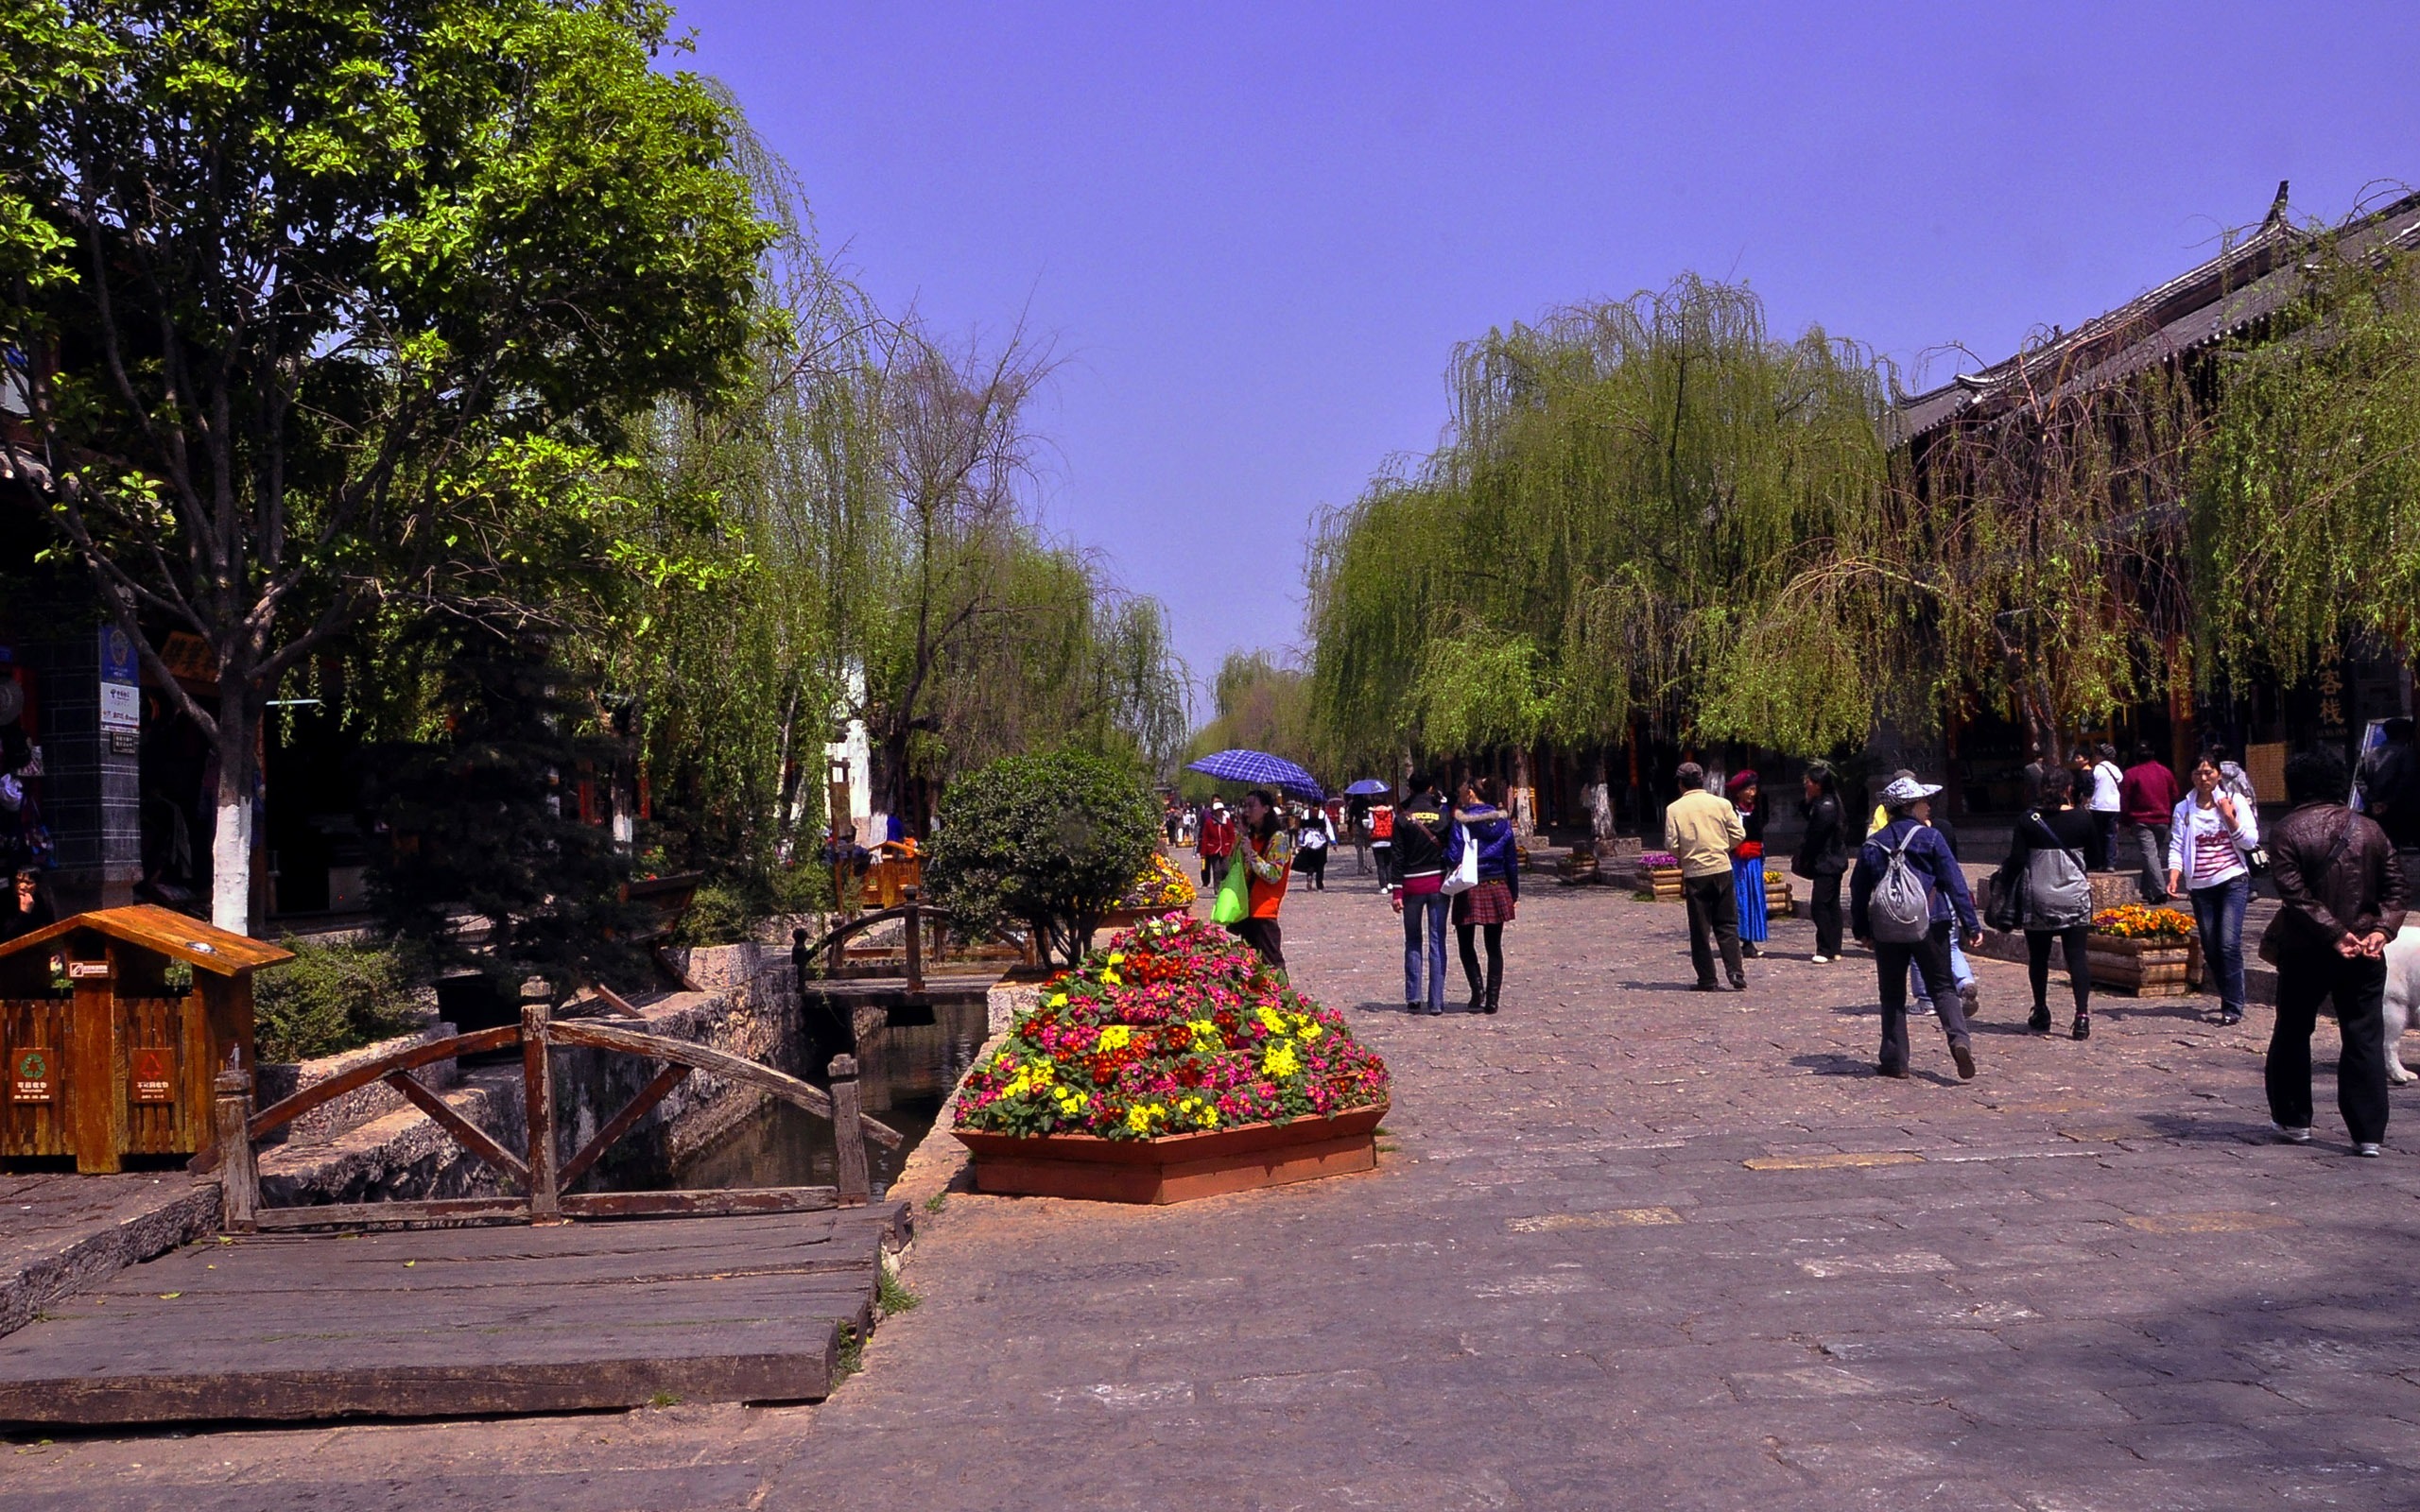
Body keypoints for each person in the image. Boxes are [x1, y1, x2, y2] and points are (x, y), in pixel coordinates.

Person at [2259, 747, 2406, 1156]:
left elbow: (2295, 895)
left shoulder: (2288, 829)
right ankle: (2368, 1133)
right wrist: (2380, 930)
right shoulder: (2370, 830)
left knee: (2293, 1030)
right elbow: (2397, 890)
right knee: (2363, 1037)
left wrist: (2335, 934)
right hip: (2365, 953)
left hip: (2307, 949)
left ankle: (2293, 1119)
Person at [1851, 775, 1981, 1080]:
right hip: (1931, 922)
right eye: (1924, 802)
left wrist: (1862, 931)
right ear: (1910, 807)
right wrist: (1970, 924)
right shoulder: (1931, 838)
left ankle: (1896, 1060)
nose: (1927, 807)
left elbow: (1859, 891)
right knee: (1942, 987)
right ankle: (1959, 1041)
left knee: (1892, 994)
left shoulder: (1873, 844)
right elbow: (1955, 883)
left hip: (1887, 929)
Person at [1998, 767, 2098, 1039]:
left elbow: (2017, 859)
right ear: (2069, 789)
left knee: (2039, 958)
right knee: (2076, 957)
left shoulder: (2028, 820)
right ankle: (2081, 1016)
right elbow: (2097, 856)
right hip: (2075, 896)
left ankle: (2041, 1009)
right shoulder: (2082, 819)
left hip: (2039, 897)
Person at [2168, 752, 2260, 1028]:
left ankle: (2233, 1005)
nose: (2203, 778)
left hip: (2233, 880)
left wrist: (2230, 818)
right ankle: (2227, 994)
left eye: (2208, 772)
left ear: (2219, 774)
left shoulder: (2234, 801)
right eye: (2198, 773)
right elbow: (2176, 845)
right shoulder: (2183, 809)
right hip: (2201, 886)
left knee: (2228, 943)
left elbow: (2251, 840)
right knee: (2211, 947)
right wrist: (2174, 875)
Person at [1665, 762, 1747, 992]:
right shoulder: (1721, 803)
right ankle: (1735, 972)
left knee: (1700, 929)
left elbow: (1672, 844)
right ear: (1702, 781)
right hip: (1722, 869)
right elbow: (1739, 833)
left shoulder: (1675, 809)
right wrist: (1723, 847)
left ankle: (1708, 979)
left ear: (1681, 784)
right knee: (1728, 924)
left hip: (1696, 873)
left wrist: (1686, 854)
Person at [1446, 777, 1518, 1014]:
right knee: (1494, 946)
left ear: (1470, 793)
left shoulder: (1461, 822)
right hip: (1497, 883)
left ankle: (1477, 992)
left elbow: (1455, 855)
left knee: (1465, 943)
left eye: (1461, 791)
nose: (1459, 795)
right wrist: (1513, 892)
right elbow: (1511, 860)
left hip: (1470, 885)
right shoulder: (1503, 822)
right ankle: (1493, 1000)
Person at [1390, 776, 1453, 1014]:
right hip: (1438, 883)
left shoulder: (1402, 818)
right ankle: (1436, 1001)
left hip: (1411, 886)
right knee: (1437, 941)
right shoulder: (1442, 815)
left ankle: (1413, 996)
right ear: (1430, 787)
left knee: (1413, 939)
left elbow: (1396, 857)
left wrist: (1397, 890)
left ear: (1410, 789)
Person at [1225, 789, 1294, 973]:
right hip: (1247, 910)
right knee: (1250, 964)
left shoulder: (1277, 840)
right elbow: (1233, 865)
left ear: (1265, 809)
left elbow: (1273, 874)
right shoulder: (1251, 837)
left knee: (1272, 964)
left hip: (1265, 910)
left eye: (1251, 805)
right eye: (1245, 805)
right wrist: (1241, 835)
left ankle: (1284, 999)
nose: (1247, 810)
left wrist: (1251, 855)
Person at [1792, 764, 1850, 962]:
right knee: (1831, 904)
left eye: (1808, 781)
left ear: (1818, 784)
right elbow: (1805, 812)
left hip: (1827, 861)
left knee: (1820, 905)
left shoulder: (1826, 807)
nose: (1805, 784)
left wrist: (1804, 857)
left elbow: (1815, 837)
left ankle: (1825, 948)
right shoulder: (1824, 802)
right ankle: (1834, 947)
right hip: (1831, 860)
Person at [2119, 745, 2184, 903]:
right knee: (2153, 854)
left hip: (2141, 819)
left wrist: (2125, 820)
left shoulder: (2131, 774)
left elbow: (2125, 799)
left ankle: (2159, 890)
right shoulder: (2164, 772)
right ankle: (2147, 890)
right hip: (2162, 818)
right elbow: (2174, 794)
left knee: (2150, 855)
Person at [2358, 717, 2420, 850]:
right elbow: (2406, 781)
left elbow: (2360, 780)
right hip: (2400, 812)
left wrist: (2371, 801)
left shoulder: (2369, 754)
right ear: (2405, 734)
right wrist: (2387, 802)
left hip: (2374, 810)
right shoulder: (2407, 754)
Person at [1725, 770, 1769, 959]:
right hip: (1739, 862)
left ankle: (1751, 938)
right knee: (1740, 898)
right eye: (1749, 789)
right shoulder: (1732, 812)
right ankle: (1741, 938)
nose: (1753, 793)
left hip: (1754, 861)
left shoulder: (1757, 809)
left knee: (1754, 897)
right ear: (1739, 792)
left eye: (1754, 789)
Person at [2087, 743, 2124, 871]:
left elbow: (2089, 788)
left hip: (2098, 805)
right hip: (2114, 806)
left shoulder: (2096, 770)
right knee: (2111, 835)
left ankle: (2100, 862)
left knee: (2098, 835)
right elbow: (2120, 783)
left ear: (2100, 756)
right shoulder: (2116, 770)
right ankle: (2110, 863)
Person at [0, 867, 52, 944]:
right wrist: (24, 913)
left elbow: (51, 929)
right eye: (18, 881)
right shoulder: (3, 900)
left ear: (37, 885)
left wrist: (54, 951)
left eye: (28, 883)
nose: (22, 887)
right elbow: (6, 938)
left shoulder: (41, 899)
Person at [1294, 804, 1333, 891]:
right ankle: (1319, 884)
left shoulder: (1305, 814)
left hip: (1308, 841)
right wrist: (1333, 841)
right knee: (1320, 863)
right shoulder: (1323, 814)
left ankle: (1309, 876)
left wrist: (1300, 842)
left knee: (1310, 862)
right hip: (1321, 840)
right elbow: (1329, 827)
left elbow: (1302, 830)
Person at [1198, 801, 1236, 887]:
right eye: (1217, 810)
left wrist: (1231, 845)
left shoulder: (1227, 821)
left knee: (1225, 869)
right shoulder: (1209, 822)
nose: (1219, 812)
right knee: (1216, 870)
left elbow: (1231, 835)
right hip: (1213, 849)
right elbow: (1205, 837)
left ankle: (1226, 885)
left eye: (1221, 810)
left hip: (1225, 849)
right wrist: (1203, 852)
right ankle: (1217, 889)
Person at [1368, 796, 1396, 892]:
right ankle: (1390, 883)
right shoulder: (1391, 812)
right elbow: (1394, 823)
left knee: (1380, 865)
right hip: (1388, 840)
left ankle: (1383, 886)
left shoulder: (1372, 813)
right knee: (1389, 863)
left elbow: (1371, 826)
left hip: (1376, 841)